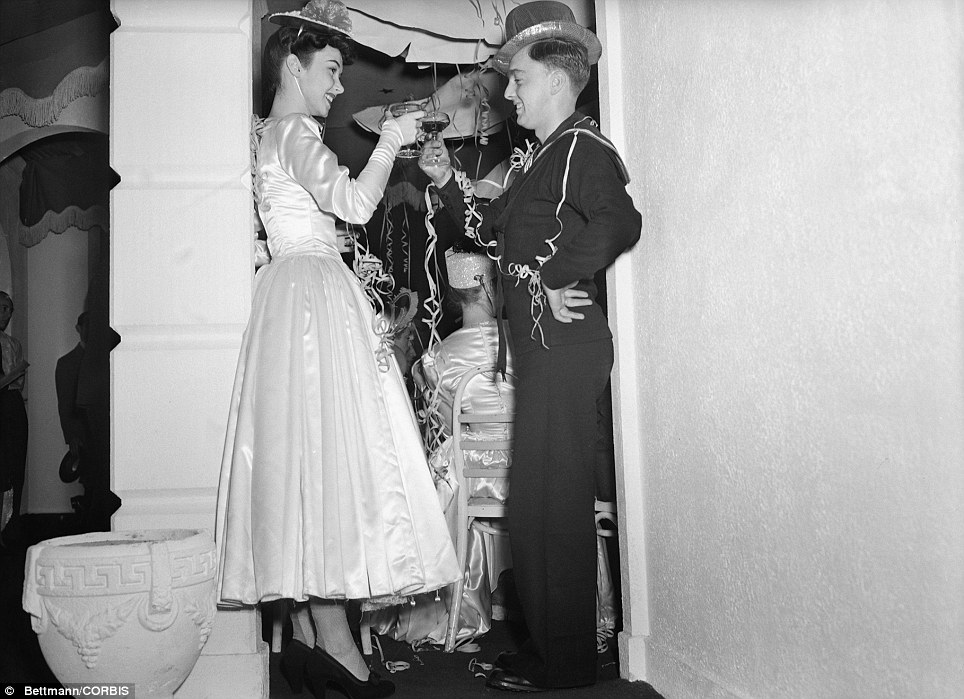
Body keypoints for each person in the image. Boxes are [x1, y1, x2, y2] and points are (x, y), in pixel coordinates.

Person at [214, 2, 460, 698]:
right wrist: (392, 138)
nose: (335, 87)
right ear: (292, 65)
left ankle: (306, 635)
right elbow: (354, 204)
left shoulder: (268, 133)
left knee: (304, 458)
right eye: (328, 71)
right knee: (330, 459)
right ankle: (335, 644)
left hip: (288, 293)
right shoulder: (294, 129)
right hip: (313, 296)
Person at [419, 1, 642, 692]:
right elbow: (491, 230)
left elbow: (620, 220)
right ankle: (548, 645)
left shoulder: (583, 148)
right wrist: (445, 183)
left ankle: (566, 661)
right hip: (540, 349)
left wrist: (552, 276)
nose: (506, 91)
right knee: (537, 504)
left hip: (565, 346)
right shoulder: (540, 159)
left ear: (553, 77)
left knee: (557, 504)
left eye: (516, 78)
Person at [371, 249, 514, 648]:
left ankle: (460, 611)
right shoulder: (523, 342)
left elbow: (439, 426)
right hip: (524, 470)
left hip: (473, 479)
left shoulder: (439, 356)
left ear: (453, 297)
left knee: (438, 472)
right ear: (495, 287)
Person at [0, 291, 29, 548]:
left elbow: (19, 383)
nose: (5, 315)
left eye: (9, 309)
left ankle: (11, 527)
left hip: (13, 406)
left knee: (15, 466)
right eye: (0, 308)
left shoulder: (13, 343)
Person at [55, 312, 88, 489]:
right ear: (78, 329)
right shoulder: (67, 363)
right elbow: (65, 402)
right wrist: (72, 435)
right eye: (86, 326)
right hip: (83, 433)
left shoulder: (107, 358)